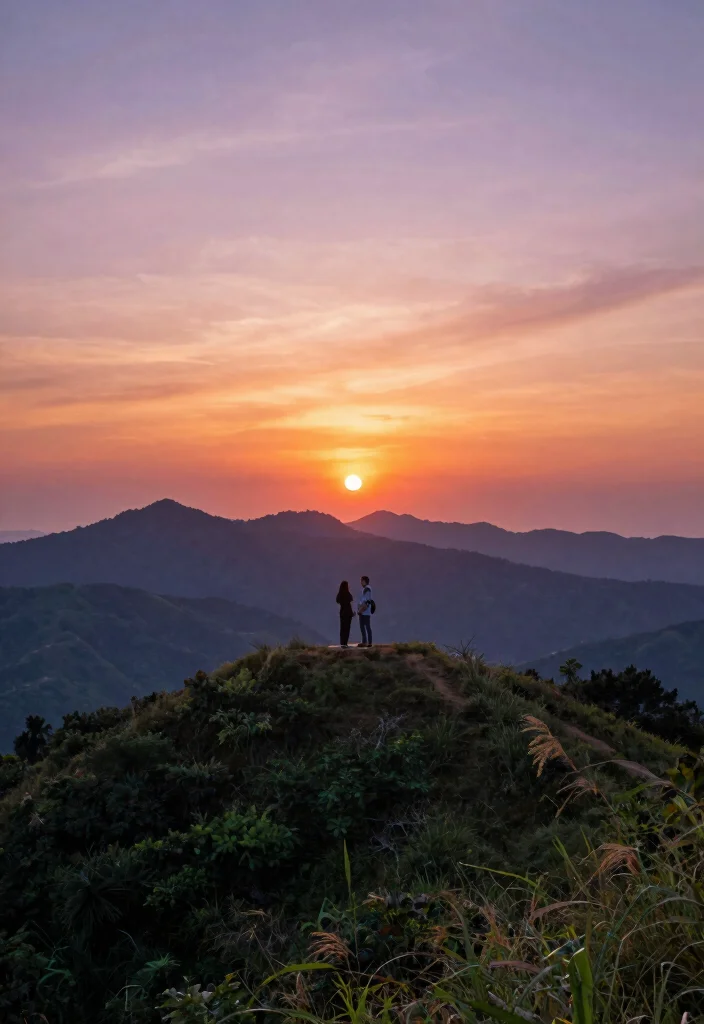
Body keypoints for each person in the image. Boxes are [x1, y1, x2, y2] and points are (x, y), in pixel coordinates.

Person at [336, 580, 355, 647]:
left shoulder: (339, 594)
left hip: (342, 613)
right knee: (347, 628)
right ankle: (345, 643)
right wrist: (352, 613)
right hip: (348, 613)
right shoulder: (348, 594)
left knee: (342, 628)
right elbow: (350, 603)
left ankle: (342, 642)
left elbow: (337, 601)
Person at [357, 575, 373, 647]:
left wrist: (361, 610)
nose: (360, 582)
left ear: (364, 581)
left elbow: (366, 602)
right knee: (364, 627)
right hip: (364, 611)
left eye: (361, 581)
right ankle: (366, 642)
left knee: (365, 627)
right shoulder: (365, 589)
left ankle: (367, 642)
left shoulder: (367, 589)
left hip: (364, 612)